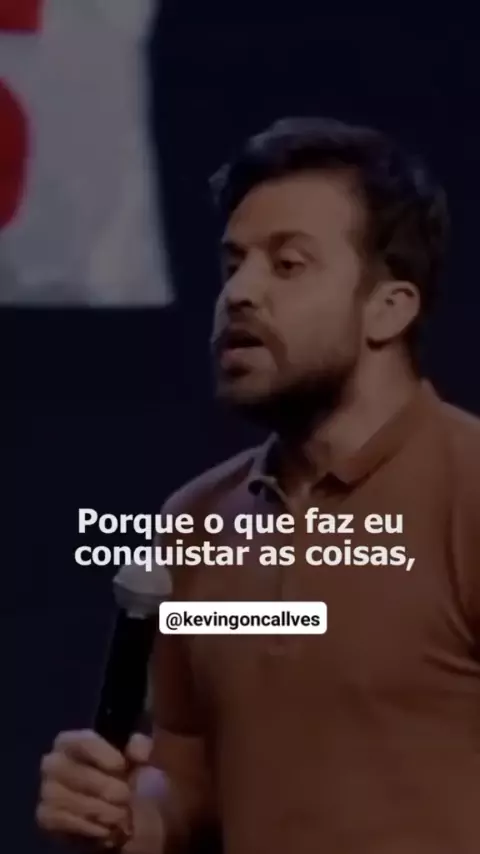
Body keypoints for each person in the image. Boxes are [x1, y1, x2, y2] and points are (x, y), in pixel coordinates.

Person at [36, 117, 480, 853]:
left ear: (389, 307)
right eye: (233, 264)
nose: (240, 292)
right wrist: (125, 811)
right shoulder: (194, 522)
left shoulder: (467, 490)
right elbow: (187, 772)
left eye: (288, 264)